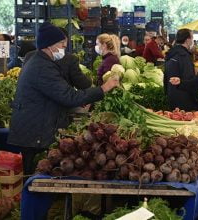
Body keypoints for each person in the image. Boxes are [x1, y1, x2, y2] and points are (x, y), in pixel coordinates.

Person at [7, 22, 119, 175]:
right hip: (34, 131)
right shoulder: (42, 67)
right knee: (33, 175)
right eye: (61, 44)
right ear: (49, 45)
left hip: (33, 127)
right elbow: (69, 96)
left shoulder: (39, 60)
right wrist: (103, 88)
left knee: (35, 173)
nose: (63, 48)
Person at [164, 28, 198, 111]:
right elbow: (189, 78)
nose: (192, 41)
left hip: (172, 95)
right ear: (187, 40)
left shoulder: (171, 53)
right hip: (184, 99)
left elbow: (166, 76)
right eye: (192, 38)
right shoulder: (184, 56)